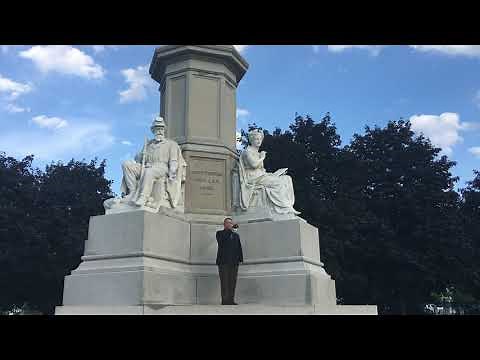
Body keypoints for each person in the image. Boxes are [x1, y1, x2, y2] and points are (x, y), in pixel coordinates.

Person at [216, 217, 243, 305]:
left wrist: (240, 259)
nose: (229, 224)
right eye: (227, 223)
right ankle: (225, 300)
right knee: (224, 281)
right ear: (224, 224)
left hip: (234, 262)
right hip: (223, 262)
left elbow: (239, 247)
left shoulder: (236, 235)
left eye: (231, 223)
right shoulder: (220, 233)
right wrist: (230, 231)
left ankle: (231, 300)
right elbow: (222, 242)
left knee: (232, 281)